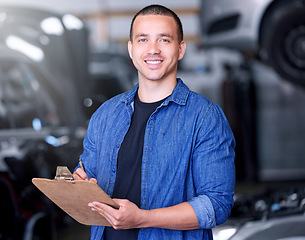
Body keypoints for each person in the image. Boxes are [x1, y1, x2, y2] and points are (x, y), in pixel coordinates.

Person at [73, 4, 235, 240]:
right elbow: (88, 177)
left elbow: (216, 204)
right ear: (131, 49)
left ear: (180, 49)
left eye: (164, 40)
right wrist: (81, 183)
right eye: (143, 40)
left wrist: (143, 218)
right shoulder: (105, 115)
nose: (153, 50)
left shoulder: (205, 118)